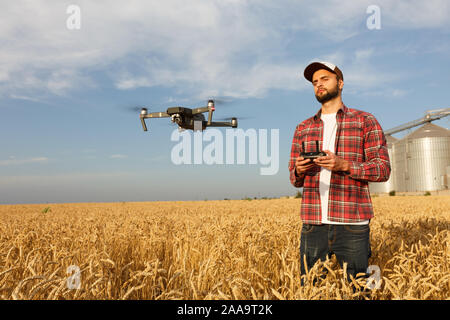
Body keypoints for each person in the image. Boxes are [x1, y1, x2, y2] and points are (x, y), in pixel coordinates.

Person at [288, 61, 391, 284]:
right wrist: (298, 169)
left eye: (325, 79)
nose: (319, 85)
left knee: (359, 290)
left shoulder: (365, 121)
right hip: (313, 224)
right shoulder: (302, 128)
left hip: (352, 224)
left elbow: (383, 169)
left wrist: (345, 165)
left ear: (340, 83)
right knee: (310, 291)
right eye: (315, 82)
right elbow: (294, 178)